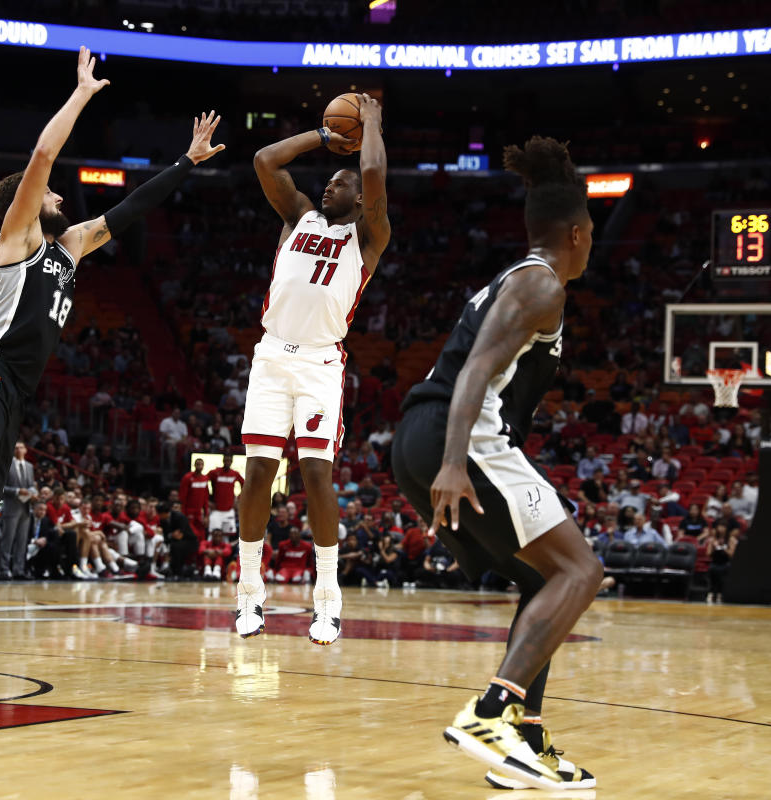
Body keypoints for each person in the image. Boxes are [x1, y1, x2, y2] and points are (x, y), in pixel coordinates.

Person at [0, 46, 226, 702]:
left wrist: (184, 164)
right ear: (30, 206)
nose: (62, 195)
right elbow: (40, 160)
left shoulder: (69, 248)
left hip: (13, 392)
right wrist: (83, 94)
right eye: (55, 194)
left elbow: (130, 210)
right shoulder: (19, 240)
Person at [391, 136, 599, 790]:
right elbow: (478, 368)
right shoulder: (541, 283)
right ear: (575, 233)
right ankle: (491, 712)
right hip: (458, 438)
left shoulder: (523, 281)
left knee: (547, 581)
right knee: (582, 570)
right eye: (591, 235)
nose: (592, 245)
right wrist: (455, 462)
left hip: (423, 437)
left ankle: (525, 743)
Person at [231, 94, 390, 645]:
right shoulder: (299, 217)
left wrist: (368, 125)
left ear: (359, 197)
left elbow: (373, 173)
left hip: (322, 363)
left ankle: (328, 599)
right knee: (258, 474)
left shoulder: (368, 237)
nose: (330, 185)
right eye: (330, 180)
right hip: (272, 356)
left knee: (316, 476)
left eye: (341, 182)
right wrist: (324, 137)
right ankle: (249, 592)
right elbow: (265, 161)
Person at [0, 441, 37, 579]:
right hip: (11, 507)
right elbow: (1, 488)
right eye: (16, 448)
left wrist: (33, 492)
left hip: (25, 507)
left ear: (26, 450)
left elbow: (31, 486)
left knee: (22, 541)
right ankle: (4, 570)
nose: (19, 449)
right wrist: (18, 491)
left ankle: (18, 570)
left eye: (21, 447)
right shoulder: (7, 464)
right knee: (7, 541)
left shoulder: (30, 466)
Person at [207, 453, 244, 540]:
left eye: (229, 460)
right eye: (226, 460)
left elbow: (245, 484)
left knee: (226, 536)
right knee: (212, 535)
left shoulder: (235, 474)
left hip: (229, 510)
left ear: (232, 462)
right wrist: (208, 499)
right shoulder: (215, 472)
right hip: (216, 510)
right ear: (223, 460)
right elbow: (203, 481)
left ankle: (224, 553)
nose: (227, 462)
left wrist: (238, 499)